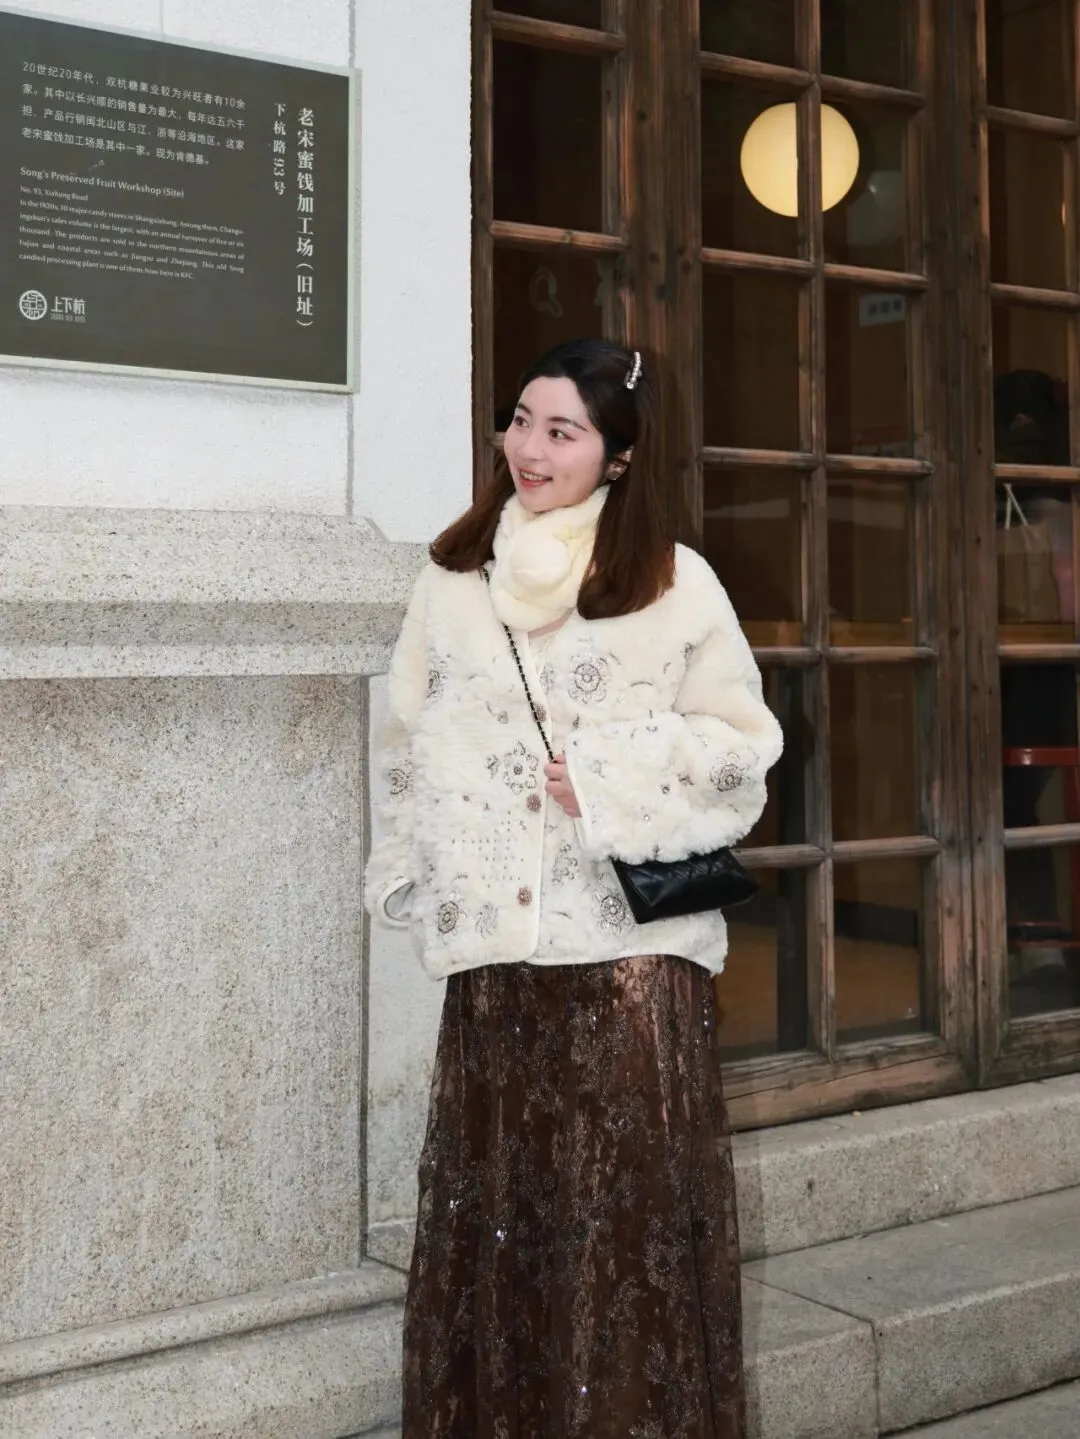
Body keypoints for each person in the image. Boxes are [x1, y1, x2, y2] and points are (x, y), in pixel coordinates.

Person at [364, 338, 784, 1438]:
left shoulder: (676, 581)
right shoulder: (453, 580)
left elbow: (743, 748)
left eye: (563, 430)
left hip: (627, 966)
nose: (531, 448)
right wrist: (409, 870)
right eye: (521, 420)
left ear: (619, 455)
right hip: (499, 966)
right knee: (505, 1229)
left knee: (621, 1233)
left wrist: (603, 775)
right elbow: (405, 740)